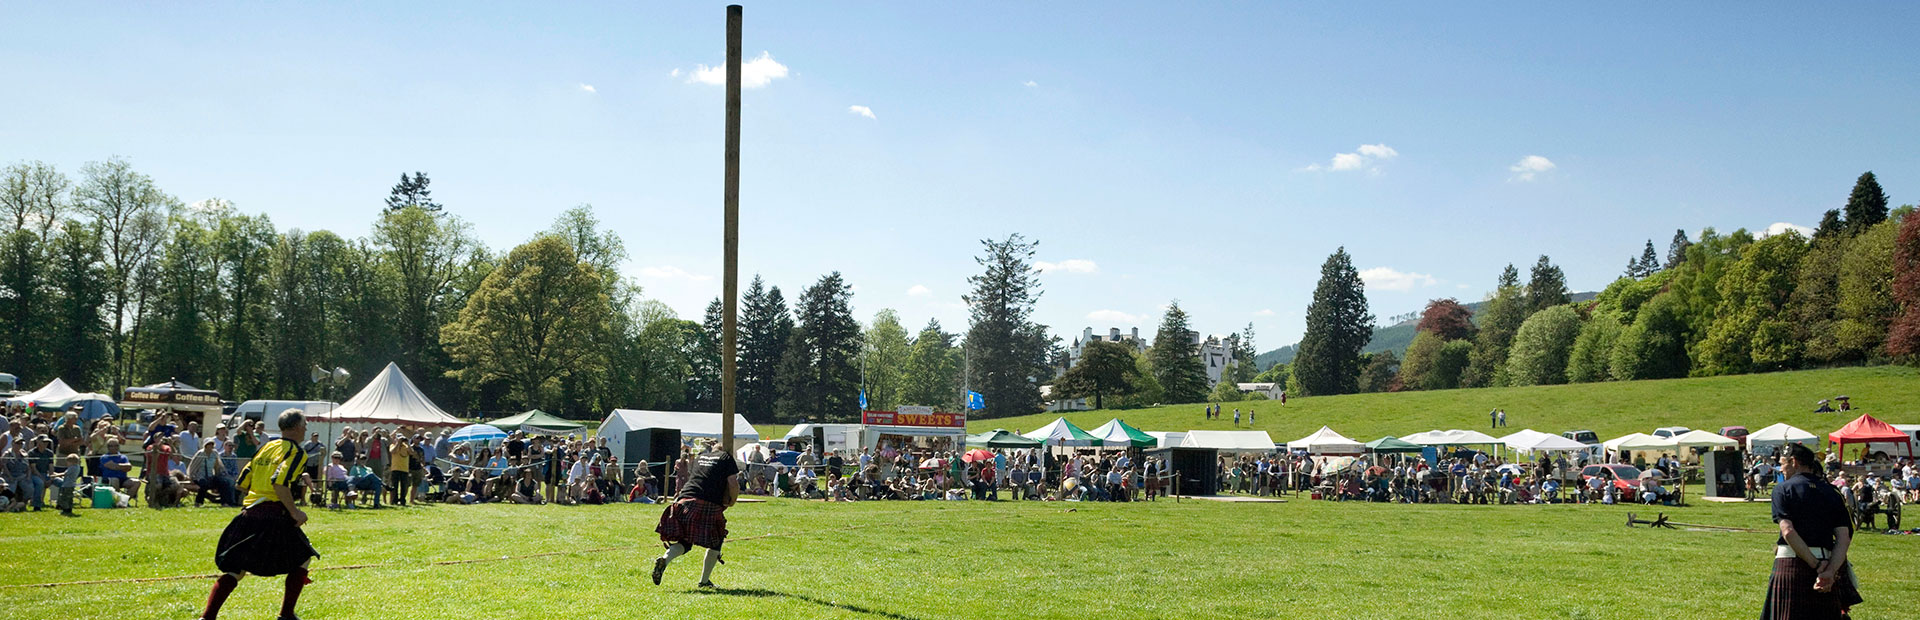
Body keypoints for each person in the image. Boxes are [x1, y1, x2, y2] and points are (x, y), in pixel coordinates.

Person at [199, 409, 318, 620]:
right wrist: (295, 512)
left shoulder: (266, 448)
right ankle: (286, 615)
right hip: (273, 516)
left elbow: (242, 483)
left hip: (249, 515)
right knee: (303, 558)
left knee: (237, 569)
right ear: (296, 427)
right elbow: (279, 483)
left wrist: (261, 493)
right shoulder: (296, 453)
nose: (306, 428)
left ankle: (207, 617)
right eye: (304, 424)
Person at [1762, 443, 1861, 618]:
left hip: (1791, 565)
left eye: (1782, 463)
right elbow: (1844, 538)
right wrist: (1829, 571)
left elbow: (1788, 531)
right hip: (1828, 563)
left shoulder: (1783, 489)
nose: (1781, 469)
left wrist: (1815, 564)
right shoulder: (1832, 492)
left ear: (1794, 462)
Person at [653, 440, 740, 588]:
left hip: (683, 500)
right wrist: (732, 501)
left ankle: (664, 559)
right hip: (705, 503)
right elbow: (733, 483)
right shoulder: (726, 457)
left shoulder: (701, 457)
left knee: (685, 542)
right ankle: (704, 581)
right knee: (716, 541)